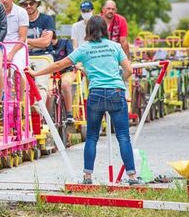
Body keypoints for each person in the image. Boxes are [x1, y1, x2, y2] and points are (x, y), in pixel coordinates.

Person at [27, 16, 139, 185]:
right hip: (116, 93)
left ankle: (87, 177)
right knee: (123, 137)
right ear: (105, 30)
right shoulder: (115, 47)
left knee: (92, 137)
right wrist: (119, 81)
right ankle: (132, 177)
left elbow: (59, 65)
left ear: (88, 31)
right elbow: (129, 70)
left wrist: (36, 74)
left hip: (96, 94)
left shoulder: (84, 49)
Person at [21, 0, 55, 102]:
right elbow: (16, 42)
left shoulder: (46, 19)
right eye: (25, 4)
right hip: (24, 56)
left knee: (41, 84)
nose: (28, 6)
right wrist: (38, 41)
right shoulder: (19, 20)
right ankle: (22, 111)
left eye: (31, 3)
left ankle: (38, 110)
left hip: (44, 55)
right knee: (19, 83)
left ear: (37, 4)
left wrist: (25, 40)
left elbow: (46, 42)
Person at [0, 0, 29, 72]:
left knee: (17, 69)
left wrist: (11, 54)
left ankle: (21, 85)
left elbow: (22, 38)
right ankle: (1, 86)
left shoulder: (21, 12)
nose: (4, 0)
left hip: (18, 47)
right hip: (0, 47)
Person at [50, 32, 75, 124]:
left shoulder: (65, 42)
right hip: (50, 73)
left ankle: (69, 114)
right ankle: (46, 117)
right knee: (48, 91)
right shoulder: (44, 46)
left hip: (66, 71)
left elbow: (71, 57)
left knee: (65, 85)